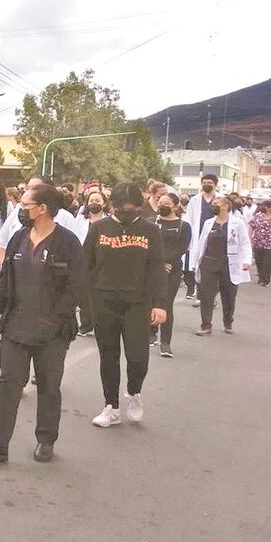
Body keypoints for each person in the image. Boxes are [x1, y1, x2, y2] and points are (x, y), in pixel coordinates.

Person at [0, 183, 86, 463]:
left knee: (49, 385)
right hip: (15, 327)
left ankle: (45, 440)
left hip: (53, 331)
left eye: (25, 206)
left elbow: (77, 286)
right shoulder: (18, 238)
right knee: (8, 383)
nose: (21, 211)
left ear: (43, 209)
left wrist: (57, 318)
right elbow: (5, 280)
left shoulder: (68, 243)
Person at [85, 182, 167, 428]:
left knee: (138, 357)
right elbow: (85, 266)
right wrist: (80, 300)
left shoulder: (150, 231)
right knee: (108, 356)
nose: (127, 212)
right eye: (122, 209)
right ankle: (111, 406)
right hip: (103, 302)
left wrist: (160, 304)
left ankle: (134, 392)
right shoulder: (99, 229)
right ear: (114, 207)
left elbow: (157, 270)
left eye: (132, 209)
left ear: (139, 208)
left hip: (137, 304)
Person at [194, 194, 251, 335]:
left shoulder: (237, 223)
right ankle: (206, 325)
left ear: (225, 206)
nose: (213, 205)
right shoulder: (209, 223)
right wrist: (196, 261)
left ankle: (228, 320)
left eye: (216, 203)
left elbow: (245, 243)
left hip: (228, 263)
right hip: (209, 262)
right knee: (206, 295)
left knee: (229, 295)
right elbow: (202, 243)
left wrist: (246, 261)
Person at [0, 176, 80, 265]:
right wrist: (6, 268)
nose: (29, 192)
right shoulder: (19, 235)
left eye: (34, 188)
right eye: (28, 188)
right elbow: (1, 244)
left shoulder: (66, 227)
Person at [150, 193, 191, 357]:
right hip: (153, 268)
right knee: (150, 301)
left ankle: (165, 343)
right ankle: (151, 333)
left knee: (166, 304)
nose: (162, 206)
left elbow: (182, 247)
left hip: (171, 269)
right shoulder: (152, 222)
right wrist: (157, 263)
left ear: (175, 206)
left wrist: (167, 262)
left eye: (166, 203)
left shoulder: (183, 226)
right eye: (160, 203)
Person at [73, 190, 108, 336]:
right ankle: (86, 324)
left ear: (104, 203)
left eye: (97, 200)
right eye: (91, 200)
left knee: (101, 295)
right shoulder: (80, 220)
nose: (94, 203)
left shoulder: (109, 221)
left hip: (103, 263)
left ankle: (101, 324)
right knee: (85, 293)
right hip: (83, 261)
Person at [183, 173, 219, 306]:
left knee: (212, 268)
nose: (206, 184)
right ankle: (200, 295)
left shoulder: (220, 200)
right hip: (197, 237)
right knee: (198, 266)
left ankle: (212, 296)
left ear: (215, 185)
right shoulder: (195, 200)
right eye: (204, 182)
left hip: (214, 238)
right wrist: (187, 238)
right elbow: (188, 219)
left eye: (210, 182)